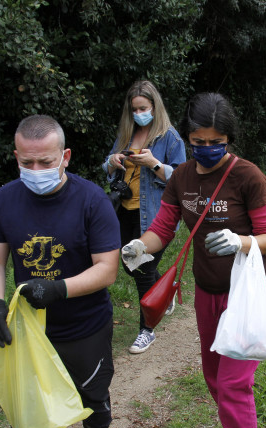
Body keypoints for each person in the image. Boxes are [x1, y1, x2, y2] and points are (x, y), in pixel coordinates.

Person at [121, 93, 266, 428]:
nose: (207, 149)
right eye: (198, 143)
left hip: (250, 293)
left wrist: (239, 241)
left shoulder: (248, 176)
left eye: (216, 143)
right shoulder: (182, 177)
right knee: (213, 375)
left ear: (229, 139)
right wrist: (139, 246)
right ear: (188, 138)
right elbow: (163, 227)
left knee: (233, 381)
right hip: (208, 291)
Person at [0, 115, 120, 428]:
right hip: (32, 331)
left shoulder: (92, 200)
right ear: (16, 157)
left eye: (45, 161)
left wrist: (59, 289)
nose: (36, 169)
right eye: (27, 162)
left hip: (85, 326)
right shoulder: (5, 199)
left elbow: (107, 269)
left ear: (65, 156)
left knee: (94, 401)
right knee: (28, 417)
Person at [102, 80, 186, 354]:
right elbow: (107, 165)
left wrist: (154, 164)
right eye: (135, 109)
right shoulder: (128, 134)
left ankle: (146, 330)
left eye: (144, 108)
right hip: (125, 211)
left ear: (155, 107)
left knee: (142, 269)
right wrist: (114, 161)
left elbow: (183, 178)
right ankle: (165, 292)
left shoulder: (170, 138)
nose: (139, 113)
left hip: (157, 216)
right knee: (130, 264)